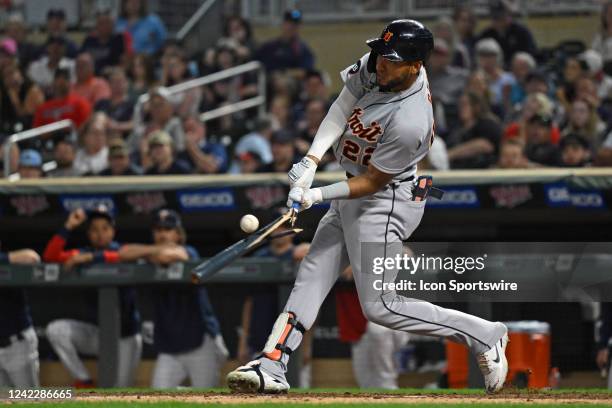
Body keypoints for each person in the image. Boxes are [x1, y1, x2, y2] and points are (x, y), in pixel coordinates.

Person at [226, 19, 509, 394]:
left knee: (381, 307)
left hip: (387, 200)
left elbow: (372, 182)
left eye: (392, 60)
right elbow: (342, 106)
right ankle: (273, 363)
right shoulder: (380, 63)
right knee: (312, 274)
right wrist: (311, 161)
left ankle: (484, 334)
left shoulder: (412, 120)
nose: (380, 64)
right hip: (352, 188)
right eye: (381, 54)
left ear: (415, 65)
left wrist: (316, 195)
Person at [119, 209, 228, 388]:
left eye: (167, 229)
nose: (162, 234)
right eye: (158, 229)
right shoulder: (150, 256)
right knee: (159, 396)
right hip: (170, 348)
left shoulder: (189, 252)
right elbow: (123, 252)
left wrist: (149, 252)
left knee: (206, 398)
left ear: (178, 234)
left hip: (200, 343)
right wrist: (153, 251)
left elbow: (173, 255)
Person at [44, 207, 141, 388]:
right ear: (89, 234)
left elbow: (127, 255)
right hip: (98, 334)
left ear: (113, 231)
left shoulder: (123, 251)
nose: (100, 234)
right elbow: (50, 256)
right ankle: (84, 380)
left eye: (105, 228)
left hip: (125, 338)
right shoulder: (81, 253)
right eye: (94, 229)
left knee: (119, 394)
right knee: (56, 330)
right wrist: (68, 226)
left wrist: (90, 258)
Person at [237, 210, 312, 387]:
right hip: (260, 336)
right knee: (257, 388)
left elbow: (309, 305)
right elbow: (249, 302)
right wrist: (243, 341)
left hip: (290, 341)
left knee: (299, 390)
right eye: (277, 227)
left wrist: (307, 346)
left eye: (285, 226)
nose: (281, 231)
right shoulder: (259, 258)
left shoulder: (301, 254)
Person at [335, 265, 408, 389]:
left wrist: (362, 265)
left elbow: (406, 253)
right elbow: (305, 252)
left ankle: (390, 389)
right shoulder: (336, 258)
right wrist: (343, 266)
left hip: (389, 323)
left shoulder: (374, 252)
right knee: (365, 381)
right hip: (358, 328)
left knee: (377, 329)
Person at [0, 247, 41, 388]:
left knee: (29, 400)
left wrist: (6, 258)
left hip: (17, 344)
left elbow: (32, 257)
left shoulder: (8, 262)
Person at [447, 92, 502, 169]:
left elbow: (485, 145)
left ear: (476, 106)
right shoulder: (456, 128)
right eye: (459, 105)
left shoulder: (486, 124)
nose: (461, 108)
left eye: (464, 104)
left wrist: (450, 154)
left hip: (483, 170)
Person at [478, 0, 537, 66]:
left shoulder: (522, 32)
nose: (498, 21)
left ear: (509, 15)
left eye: (501, 17)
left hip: (518, 70)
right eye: (495, 18)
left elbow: (531, 55)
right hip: (494, 71)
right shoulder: (486, 34)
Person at [80, 8, 132, 75]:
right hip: (90, 76)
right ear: (96, 25)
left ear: (113, 25)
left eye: (107, 22)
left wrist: (113, 70)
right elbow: (80, 60)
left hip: (111, 76)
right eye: (101, 23)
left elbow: (126, 64)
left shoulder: (119, 40)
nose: (104, 26)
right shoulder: (89, 40)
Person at [0, 61, 45, 135]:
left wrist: (15, 102)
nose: (9, 78)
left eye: (11, 73)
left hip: (30, 132)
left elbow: (27, 120)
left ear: (20, 73)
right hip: (9, 132)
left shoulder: (32, 89)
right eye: (5, 76)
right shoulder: (5, 93)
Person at [94, 67, 135, 138]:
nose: (118, 85)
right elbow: (92, 121)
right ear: (109, 84)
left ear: (126, 83)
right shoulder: (101, 103)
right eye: (114, 82)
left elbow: (134, 124)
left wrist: (114, 126)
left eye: (120, 81)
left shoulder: (132, 104)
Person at [592, 1, 612, 75]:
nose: (611, 16)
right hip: (604, 69)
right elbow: (594, 54)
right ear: (604, 16)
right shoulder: (599, 35)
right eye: (609, 14)